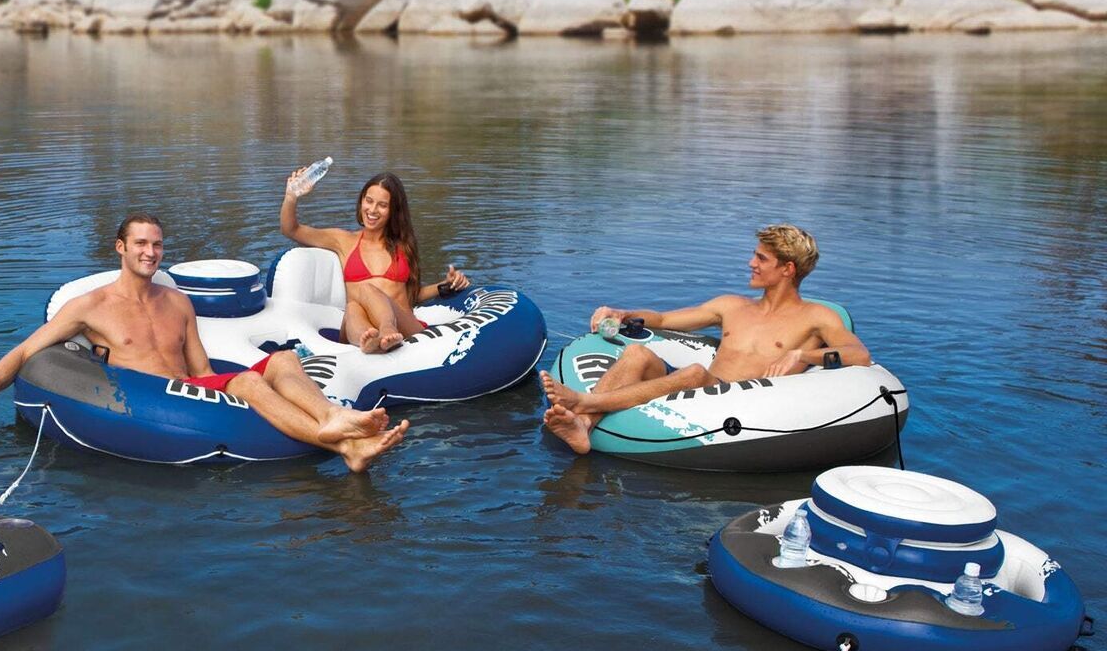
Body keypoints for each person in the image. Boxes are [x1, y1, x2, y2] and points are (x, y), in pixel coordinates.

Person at [0, 213, 409, 472]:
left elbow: (201, 369)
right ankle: (343, 443)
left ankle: (332, 419)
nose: (150, 253)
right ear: (120, 247)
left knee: (284, 359)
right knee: (250, 383)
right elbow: (26, 351)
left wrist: (228, 392)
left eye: (157, 245)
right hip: (148, 398)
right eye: (140, 244)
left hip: (191, 389)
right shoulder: (90, 306)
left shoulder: (177, 302)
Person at [540, 224, 872, 454]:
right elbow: (665, 320)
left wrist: (802, 355)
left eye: (761, 259)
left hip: (747, 407)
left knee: (696, 373)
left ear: (787, 269)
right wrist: (623, 313)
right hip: (700, 394)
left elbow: (858, 355)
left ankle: (584, 402)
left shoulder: (816, 317)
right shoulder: (732, 306)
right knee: (638, 354)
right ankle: (584, 423)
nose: (751, 263)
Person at [280, 170, 471, 354]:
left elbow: (410, 295)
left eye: (382, 205)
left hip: (402, 326)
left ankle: (386, 329)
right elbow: (291, 229)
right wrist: (291, 196)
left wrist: (445, 286)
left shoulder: (403, 246)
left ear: (393, 210)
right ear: (361, 201)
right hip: (359, 327)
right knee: (353, 307)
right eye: (369, 201)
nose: (372, 210)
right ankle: (371, 341)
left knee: (365, 291)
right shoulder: (344, 241)